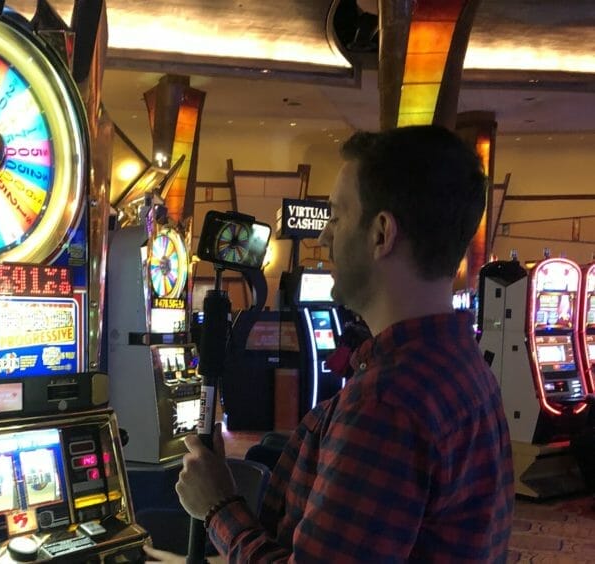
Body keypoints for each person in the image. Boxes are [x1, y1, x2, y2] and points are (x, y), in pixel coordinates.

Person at [145, 125, 514, 562]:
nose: (324, 238)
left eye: (336, 217)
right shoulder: (461, 365)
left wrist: (219, 506)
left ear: (381, 234)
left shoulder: (387, 401)